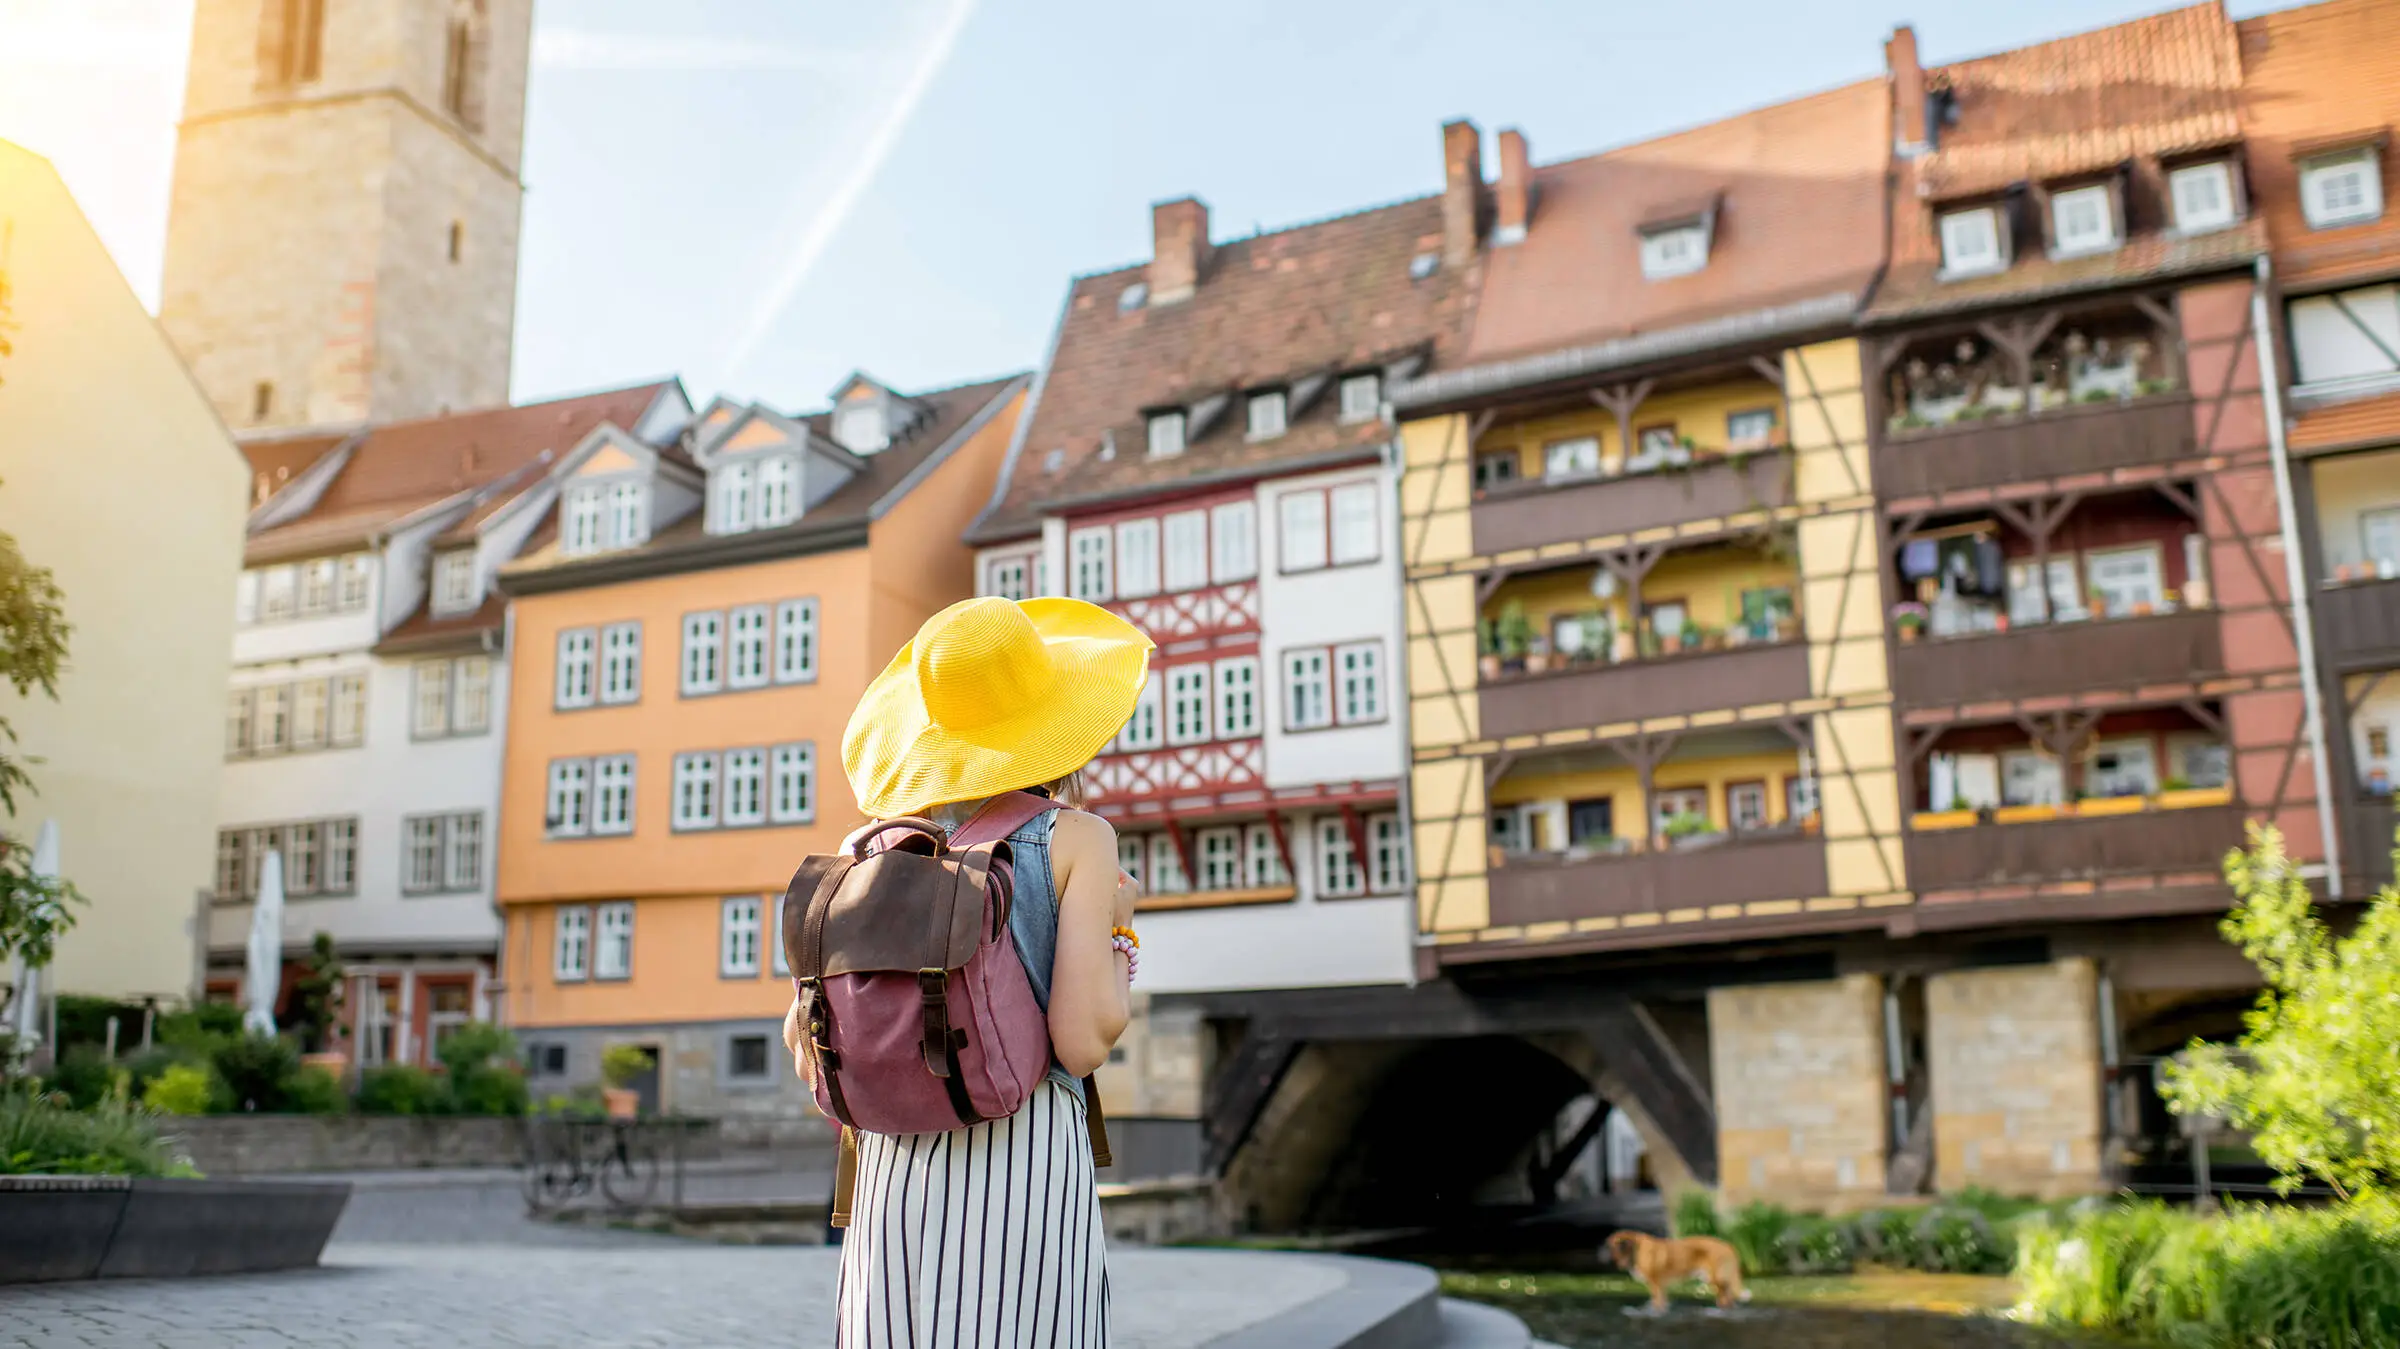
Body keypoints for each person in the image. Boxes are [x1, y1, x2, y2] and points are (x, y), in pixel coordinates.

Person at [814, 594, 1150, 1347]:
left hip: (891, 1170)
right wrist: (1118, 929)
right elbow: (1081, 1040)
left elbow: (809, 1043)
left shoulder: (866, 852)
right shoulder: (1076, 838)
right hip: (1021, 1155)